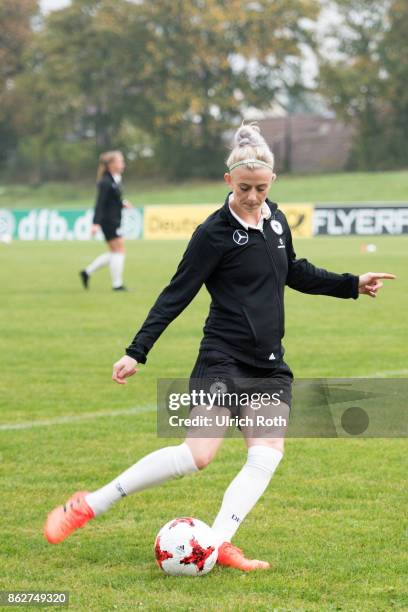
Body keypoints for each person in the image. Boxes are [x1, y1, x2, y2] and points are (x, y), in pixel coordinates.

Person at [45, 124, 395, 571]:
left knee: (266, 454)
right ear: (229, 180)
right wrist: (136, 351)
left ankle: (217, 543)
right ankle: (89, 504)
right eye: (245, 187)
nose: (253, 197)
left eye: (262, 188)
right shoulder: (212, 233)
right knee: (197, 456)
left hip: (268, 366)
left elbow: (293, 270)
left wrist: (351, 283)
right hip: (222, 360)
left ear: (273, 183)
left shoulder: (276, 219)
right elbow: (176, 294)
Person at [80, 150, 132, 291]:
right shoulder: (105, 182)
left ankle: (87, 272)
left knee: (116, 251)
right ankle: (117, 284)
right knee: (119, 250)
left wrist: (122, 203)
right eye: (120, 161)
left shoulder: (115, 179)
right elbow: (100, 203)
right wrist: (95, 223)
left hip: (114, 219)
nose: (123, 164)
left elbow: (112, 200)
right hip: (109, 221)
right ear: (111, 164)